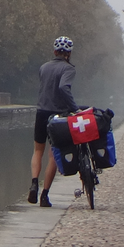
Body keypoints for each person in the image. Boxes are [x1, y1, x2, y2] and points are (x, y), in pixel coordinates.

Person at [30, 36, 78, 207]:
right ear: (69, 53)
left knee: (38, 151)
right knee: (54, 156)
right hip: (57, 116)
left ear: (54, 51)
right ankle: (44, 195)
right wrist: (74, 108)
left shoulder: (43, 67)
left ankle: (34, 183)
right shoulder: (68, 69)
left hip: (41, 112)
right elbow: (63, 87)